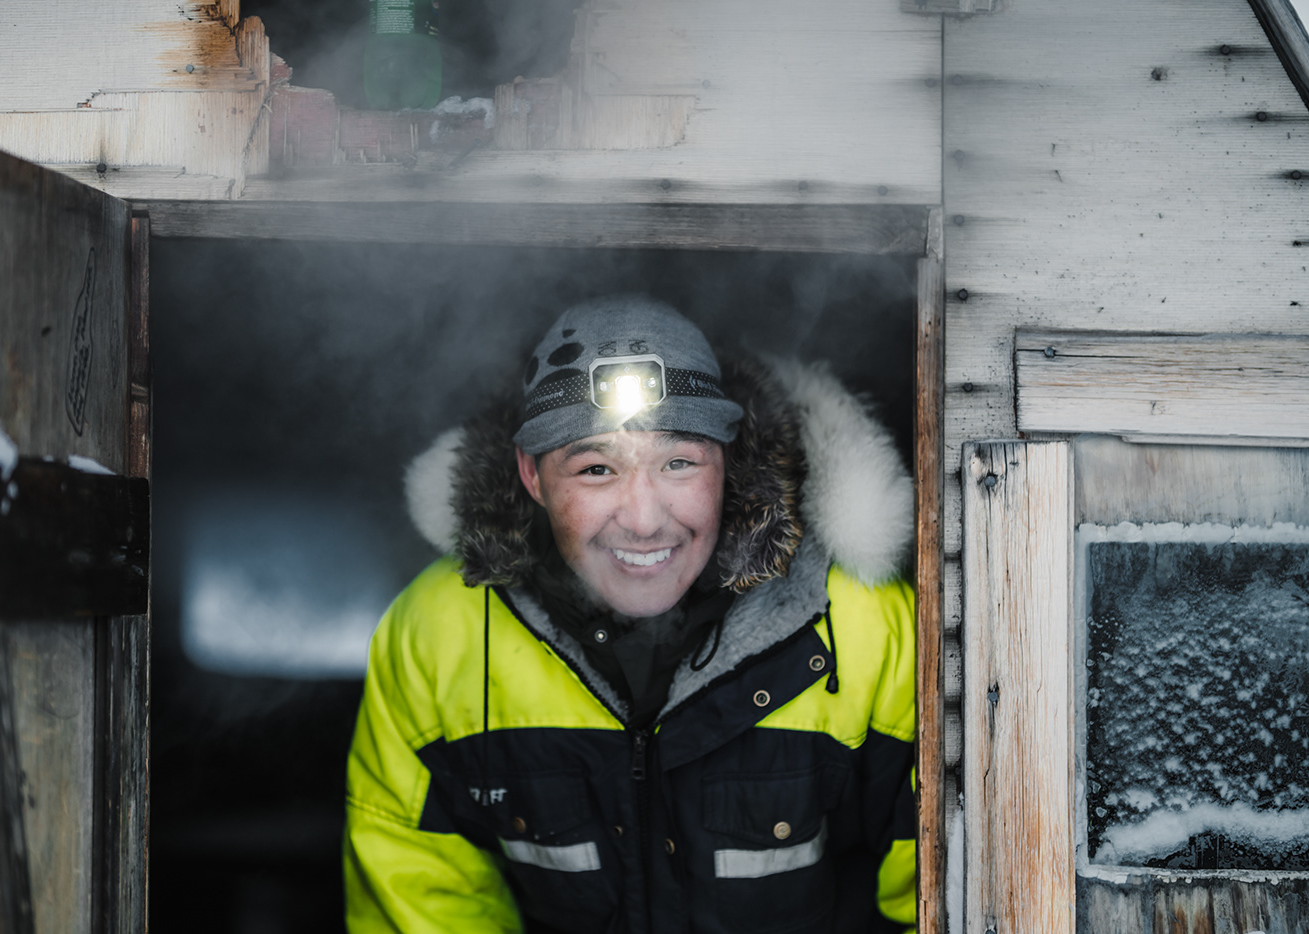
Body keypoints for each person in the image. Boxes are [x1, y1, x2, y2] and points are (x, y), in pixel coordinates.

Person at [344, 296, 917, 934]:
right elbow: (424, 898)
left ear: (728, 460)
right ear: (532, 476)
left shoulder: (867, 631)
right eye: (596, 469)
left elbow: (939, 897)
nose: (644, 520)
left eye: (679, 462)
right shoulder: (437, 636)